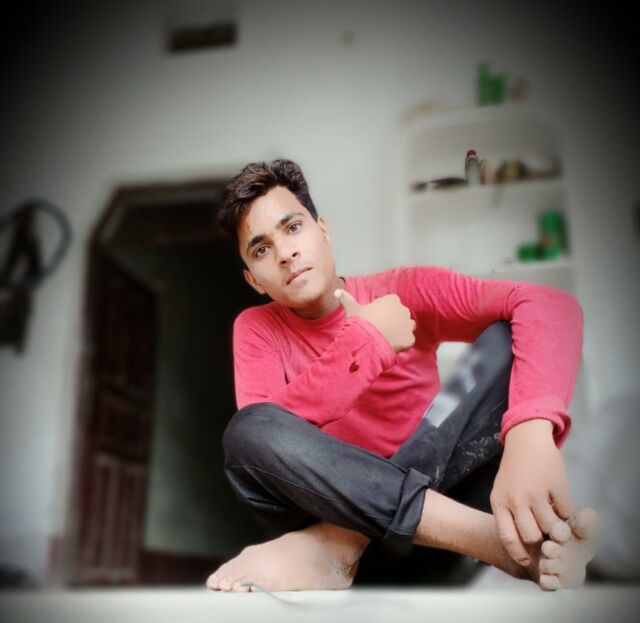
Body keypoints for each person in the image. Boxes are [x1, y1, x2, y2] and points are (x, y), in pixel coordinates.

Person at [207, 159, 599, 593]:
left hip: (437, 532)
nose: (285, 253)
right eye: (261, 250)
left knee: (506, 335)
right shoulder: (257, 328)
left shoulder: (404, 289)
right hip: (369, 530)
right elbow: (265, 442)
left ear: (322, 230)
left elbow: (550, 306)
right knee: (248, 430)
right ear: (254, 280)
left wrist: (531, 435)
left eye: (293, 228)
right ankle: (503, 547)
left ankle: (343, 542)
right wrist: (369, 342)